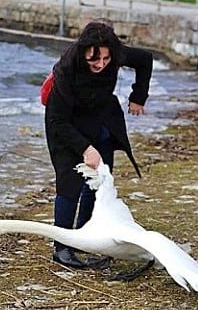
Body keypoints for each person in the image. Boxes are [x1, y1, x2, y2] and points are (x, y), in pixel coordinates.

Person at [44, 21, 153, 268]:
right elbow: (57, 119)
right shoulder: (66, 69)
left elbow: (145, 59)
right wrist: (85, 149)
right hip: (65, 125)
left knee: (99, 181)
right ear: (84, 51)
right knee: (69, 182)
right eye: (94, 58)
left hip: (101, 119)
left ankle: (87, 237)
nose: (101, 63)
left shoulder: (114, 53)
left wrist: (138, 96)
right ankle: (62, 248)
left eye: (105, 59)